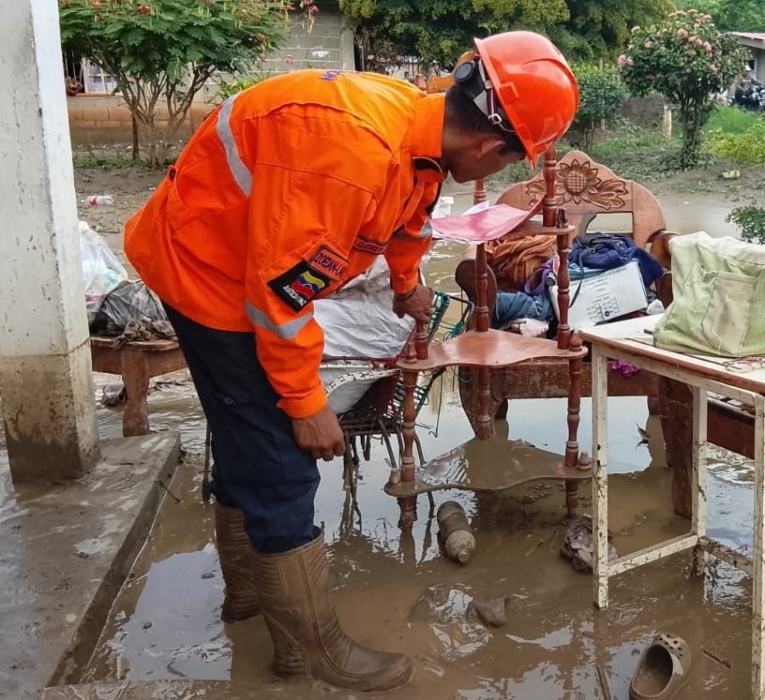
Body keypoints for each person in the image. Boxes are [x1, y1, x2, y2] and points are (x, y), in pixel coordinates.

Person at [122, 31, 577, 692]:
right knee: (282, 458)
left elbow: (408, 217)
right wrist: (306, 404)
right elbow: (280, 300)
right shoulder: (351, 155)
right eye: (511, 160)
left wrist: (405, 285)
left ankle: (247, 597)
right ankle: (309, 652)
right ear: (488, 147)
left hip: (229, 254)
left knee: (244, 435)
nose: (500, 171)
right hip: (206, 271)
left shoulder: (418, 130)